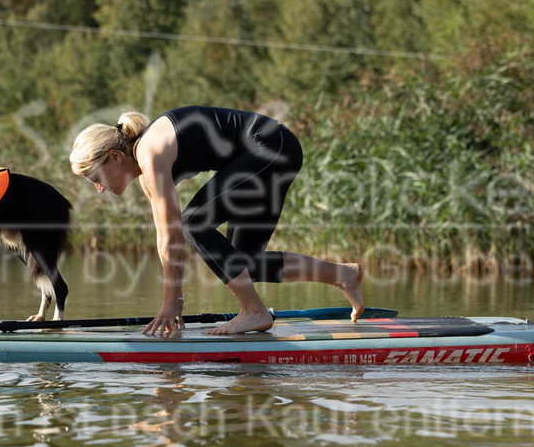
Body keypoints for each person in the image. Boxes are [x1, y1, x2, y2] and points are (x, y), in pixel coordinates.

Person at [70, 106, 364, 336]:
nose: (98, 188)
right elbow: (164, 241)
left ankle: (253, 311)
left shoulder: (150, 152)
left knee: (193, 223)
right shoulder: (148, 172)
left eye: (95, 178)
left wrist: (172, 302)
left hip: (271, 149)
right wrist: (174, 300)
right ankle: (342, 275)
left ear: (114, 157)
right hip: (275, 152)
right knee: (244, 262)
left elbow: (175, 236)